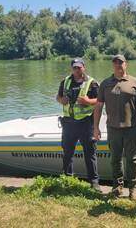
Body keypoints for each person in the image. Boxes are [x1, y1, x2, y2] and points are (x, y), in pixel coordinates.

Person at [93, 54, 136, 200]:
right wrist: (96, 127)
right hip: (113, 128)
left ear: (126, 64)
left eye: (121, 63)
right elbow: (98, 106)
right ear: (113, 65)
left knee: (132, 160)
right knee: (115, 159)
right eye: (116, 63)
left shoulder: (135, 82)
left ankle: (133, 190)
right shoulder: (105, 83)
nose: (118, 65)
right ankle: (117, 188)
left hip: (132, 128)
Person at [56, 57, 100, 191]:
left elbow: (100, 100)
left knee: (90, 153)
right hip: (68, 123)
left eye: (79, 67)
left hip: (86, 123)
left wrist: (88, 101)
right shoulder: (65, 82)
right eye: (74, 67)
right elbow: (58, 97)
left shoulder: (92, 83)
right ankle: (68, 179)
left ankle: (94, 182)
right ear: (72, 68)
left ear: (84, 67)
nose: (77, 69)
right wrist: (61, 100)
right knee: (67, 153)